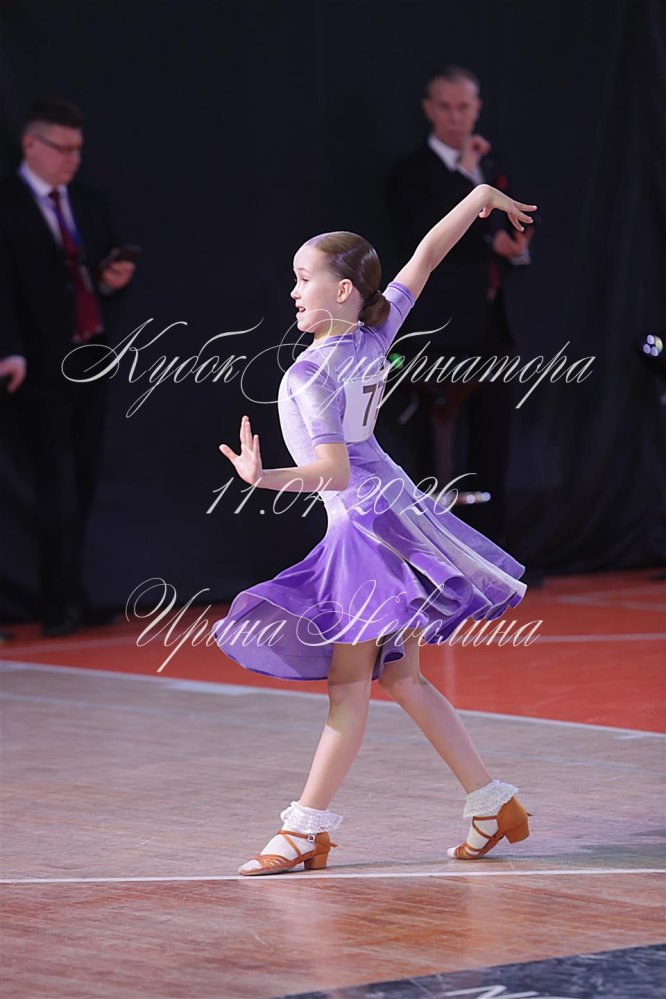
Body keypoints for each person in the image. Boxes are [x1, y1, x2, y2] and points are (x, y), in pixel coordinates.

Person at [214, 180, 537, 876]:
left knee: (349, 686)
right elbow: (427, 255)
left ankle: (303, 830)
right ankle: (492, 803)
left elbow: (332, 472)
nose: (292, 290)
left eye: (303, 278)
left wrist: (261, 478)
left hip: (366, 527)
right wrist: (479, 196)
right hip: (398, 515)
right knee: (404, 676)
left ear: (341, 291)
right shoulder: (375, 331)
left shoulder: (310, 373)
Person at [0, 99, 135, 636]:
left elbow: (93, 278)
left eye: (78, 149)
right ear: (30, 144)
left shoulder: (88, 201)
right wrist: (10, 350)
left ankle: (73, 595)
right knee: (53, 483)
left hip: (89, 357)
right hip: (35, 364)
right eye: (62, 148)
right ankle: (55, 603)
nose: (72, 160)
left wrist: (111, 281)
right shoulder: (7, 203)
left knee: (82, 479)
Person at [387, 66, 533, 546]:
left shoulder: (494, 163)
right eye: (446, 107)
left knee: (494, 440)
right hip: (440, 330)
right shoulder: (413, 172)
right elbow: (430, 235)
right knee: (436, 445)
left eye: (464, 107)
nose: (456, 117)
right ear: (429, 110)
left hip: (493, 323)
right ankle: (435, 551)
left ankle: (491, 553)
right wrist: (468, 178)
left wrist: (513, 246)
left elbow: (510, 228)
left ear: (477, 108)